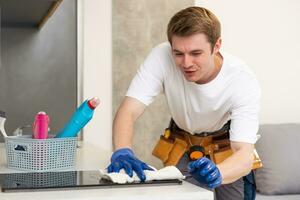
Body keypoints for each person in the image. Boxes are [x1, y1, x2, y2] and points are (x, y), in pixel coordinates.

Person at [107, 6, 261, 200]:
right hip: (184, 143)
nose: (186, 63)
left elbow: (243, 155)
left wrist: (218, 173)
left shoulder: (241, 80)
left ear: (217, 45)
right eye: (178, 53)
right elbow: (128, 111)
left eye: (196, 53)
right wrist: (122, 151)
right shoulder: (161, 56)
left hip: (226, 150)